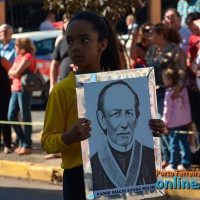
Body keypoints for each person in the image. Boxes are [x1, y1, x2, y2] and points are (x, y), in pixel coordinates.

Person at [41, 11, 165, 200]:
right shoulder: (62, 91)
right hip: (78, 180)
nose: (75, 48)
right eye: (70, 41)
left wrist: (154, 127)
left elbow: (143, 130)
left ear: (102, 44)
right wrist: (67, 137)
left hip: (122, 186)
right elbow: (46, 142)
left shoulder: (122, 85)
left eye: (84, 40)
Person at [91, 80, 157, 191]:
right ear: (102, 119)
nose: (124, 124)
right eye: (116, 114)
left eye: (129, 113)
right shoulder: (93, 165)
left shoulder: (150, 156)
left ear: (136, 118)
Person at [145, 23, 187, 169]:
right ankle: (165, 156)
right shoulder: (152, 50)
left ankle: (173, 157)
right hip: (153, 91)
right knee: (156, 123)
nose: (149, 36)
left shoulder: (175, 50)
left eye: (152, 33)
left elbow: (182, 70)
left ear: (161, 35)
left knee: (166, 125)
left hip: (169, 92)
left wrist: (178, 87)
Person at [8, 37, 36, 155]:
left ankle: (27, 145)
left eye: (17, 45)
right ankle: (21, 141)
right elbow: (10, 72)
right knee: (11, 115)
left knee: (25, 117)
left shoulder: (28, 56)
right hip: (15, 88)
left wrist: (13, 72)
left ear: (23, 46)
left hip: (24, 89)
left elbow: (16, 72)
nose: (15, 47)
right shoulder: (18, 57)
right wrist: (13, 72)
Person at [162, 68, 192, 171]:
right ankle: (186, 164)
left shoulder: (169, 93)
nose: (164, 81)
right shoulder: (184, 90)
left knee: (173, 145)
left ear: (170, 80)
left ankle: (173, 165)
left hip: (174, 123)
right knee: (184, 143)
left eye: (165, 79)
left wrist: (164, 123)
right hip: (184, 121)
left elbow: (167, 110)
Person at [49, 14, 72, 93]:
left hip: (82, 83)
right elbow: (54, 64)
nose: (67, 24)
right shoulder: (61, 41)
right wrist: (52, 85)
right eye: (65, 22)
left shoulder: (86, 41)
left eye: (70, 21)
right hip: (64, 83)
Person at [0, 56, 12, 153]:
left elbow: (11, 74)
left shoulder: (3, 60)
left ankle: (7, 144)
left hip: (4, 94)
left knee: (4, 119)